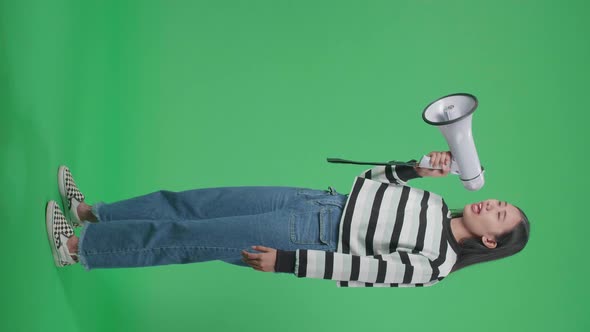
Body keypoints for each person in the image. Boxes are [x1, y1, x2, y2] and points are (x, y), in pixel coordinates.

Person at [45, 151, 530, 287]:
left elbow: (359, 270)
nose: (492, 205)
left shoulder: (438, 263)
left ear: (492, 243)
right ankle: (93, 214)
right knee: (189, 203)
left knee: (186, 237)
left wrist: (287, 264)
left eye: (501, 215)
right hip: (311, 201)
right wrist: (415, 169)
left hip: (306, 236)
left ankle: (77, 248)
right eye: (499, 201)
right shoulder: (436, 206)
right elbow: (369, 180)